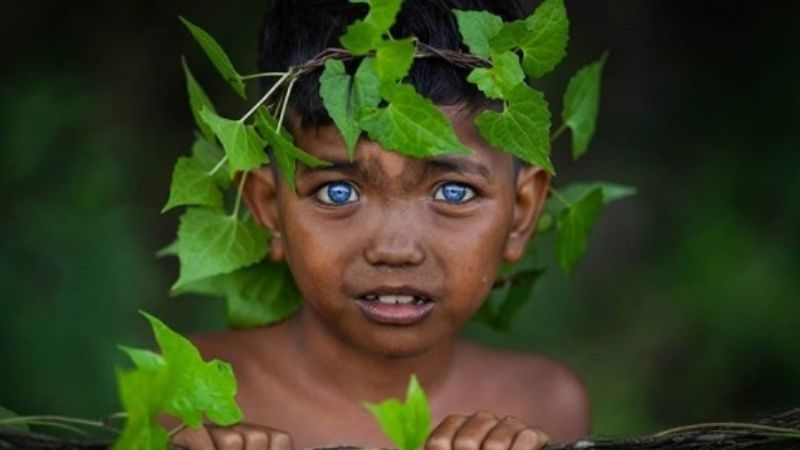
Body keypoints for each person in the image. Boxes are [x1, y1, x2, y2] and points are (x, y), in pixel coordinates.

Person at [172, 0, 590, 448]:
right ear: (269, 207)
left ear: (521, 212)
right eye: (338, 192)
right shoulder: (184, 400)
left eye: (454, 192)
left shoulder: (547, 405)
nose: (396, 248)